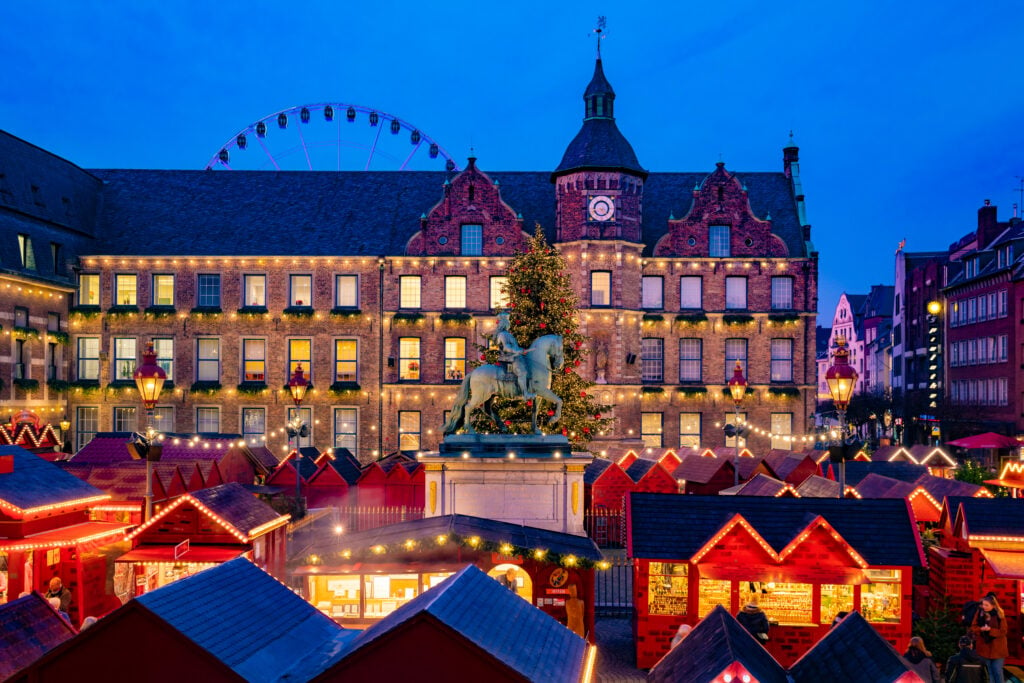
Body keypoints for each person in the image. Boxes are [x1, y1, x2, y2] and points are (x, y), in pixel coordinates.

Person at [492, 312, 533, 400]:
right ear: (504, 323)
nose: (509, 323)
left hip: (515, 356)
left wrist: (520, 349)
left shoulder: (507, 334)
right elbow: (506, 347)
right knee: (522, 372)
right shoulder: (503, 334)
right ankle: (525, 394)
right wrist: (518, 350)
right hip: (510, 358)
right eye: (508, 322)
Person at [971, 594, 1009, 683]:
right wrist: (980, 629)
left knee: (997, 671)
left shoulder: (1000, 614)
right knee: (989, 672)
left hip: (998, 649)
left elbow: (1003, 631)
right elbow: (973, 627)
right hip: (984, 648)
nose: (984, 607)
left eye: (986, 605)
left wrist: (990, 630)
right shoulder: (980, 612)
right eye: (983, 604)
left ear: (993, 605)